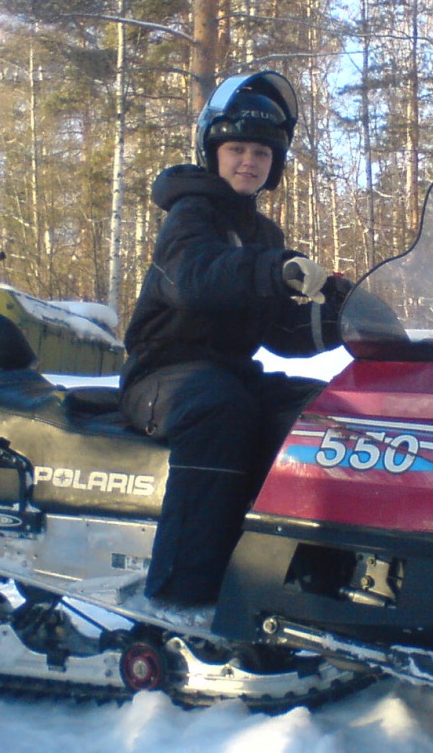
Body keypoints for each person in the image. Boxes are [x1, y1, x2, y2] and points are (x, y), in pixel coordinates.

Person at [120, 70, 348, 607]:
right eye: (237, 149)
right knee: (221, 412)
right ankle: (183, 593)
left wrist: (343, 314)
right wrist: (274, 269)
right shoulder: (190, 213)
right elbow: (195, 279)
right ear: (213, 153)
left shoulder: (262, 234)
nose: (249, 161)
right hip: (162, 375)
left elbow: (279, 331)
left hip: (229, 374)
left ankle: (303, 578)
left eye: (262, 153)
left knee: (322, 412)